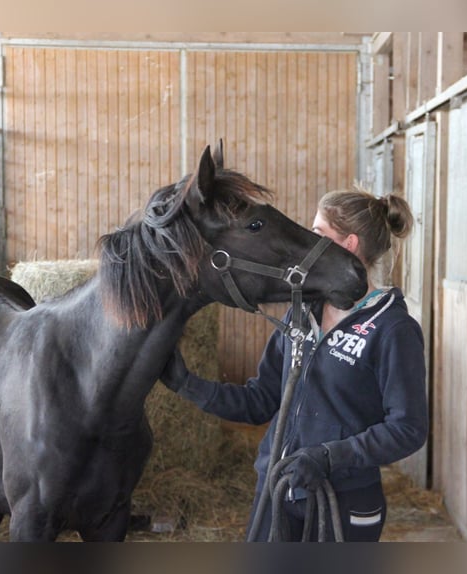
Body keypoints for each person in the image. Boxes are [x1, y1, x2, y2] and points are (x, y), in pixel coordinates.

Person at [161, 185, 428, 542]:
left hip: (342, 501)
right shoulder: (301, 313)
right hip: (277, 490)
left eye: (318, 233)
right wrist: (187, 384)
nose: (306, 241)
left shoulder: (392, 328)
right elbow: (261, 401)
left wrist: (328, 458)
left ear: (347, 245)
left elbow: (407, 428)